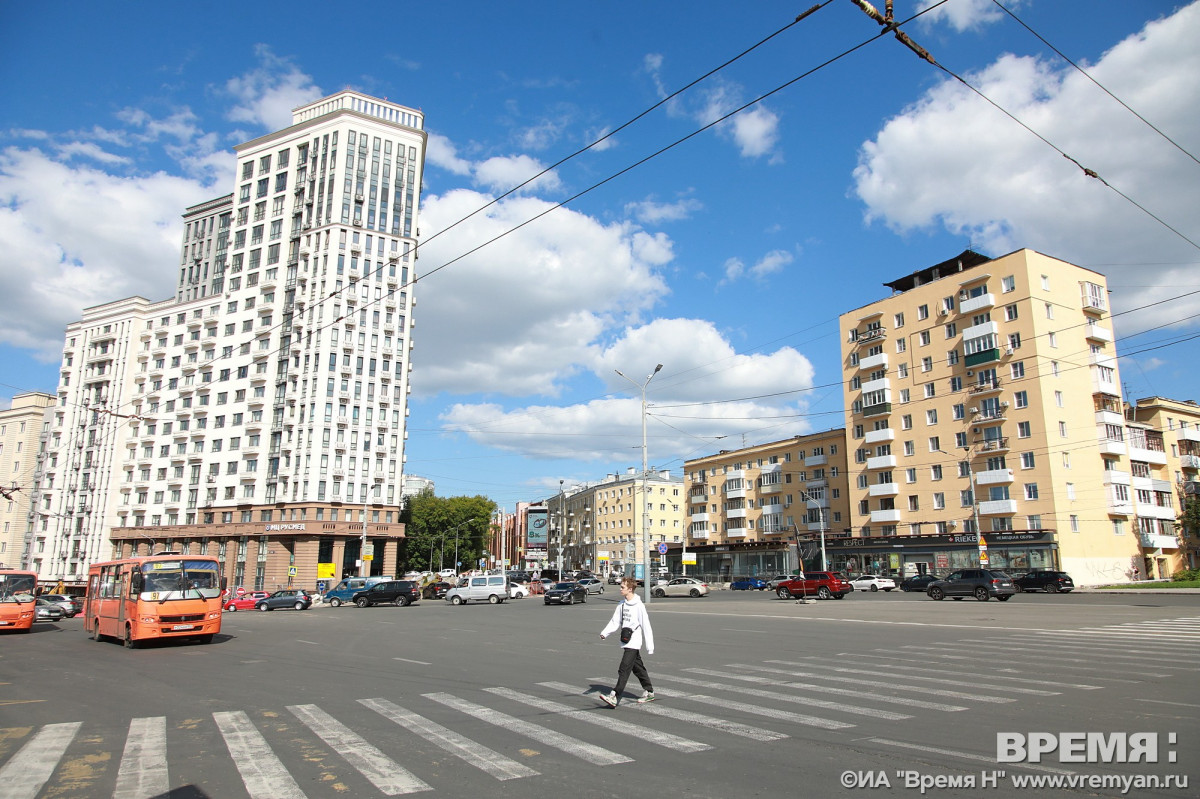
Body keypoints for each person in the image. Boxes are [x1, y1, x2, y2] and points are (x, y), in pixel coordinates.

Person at [597, 577, 655, 708]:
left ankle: (615, 696)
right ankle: (649, 691)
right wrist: (605, 632)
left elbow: (646, 626)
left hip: (634, 642)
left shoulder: (639, 606)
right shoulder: (621, 604)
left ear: (630, 589)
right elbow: (615, 621)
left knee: (624, 668)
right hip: (625, 640)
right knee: (638, 668)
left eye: (622, 587)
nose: (620, 589)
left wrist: (649, 646)